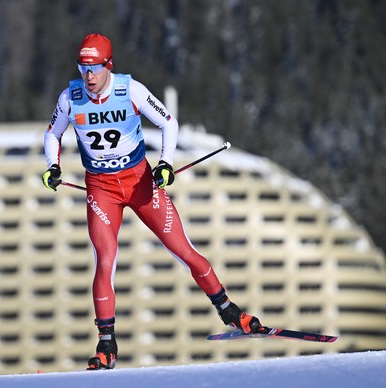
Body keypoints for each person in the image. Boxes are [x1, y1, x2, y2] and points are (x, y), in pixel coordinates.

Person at [42, 33, 264, 370]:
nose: (88, 76)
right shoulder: (70, 97)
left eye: (94, 68)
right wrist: (53, 167)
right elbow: (52, 133)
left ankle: (230, 312)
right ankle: (106, 344)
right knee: (105, 260)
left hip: (141, 182)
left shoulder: (130, 90)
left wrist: (165, 163)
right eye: (82, 68)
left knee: (184, 251)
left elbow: (167, 123)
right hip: (101, 188)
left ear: (109, 66)